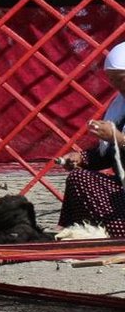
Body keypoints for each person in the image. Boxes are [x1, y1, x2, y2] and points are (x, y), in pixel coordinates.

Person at [57, 42, 125, 238]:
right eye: (112, 80)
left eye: (120, 80)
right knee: (80, 179)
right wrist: (81, 158)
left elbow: (120, 143)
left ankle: (113, 231)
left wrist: (118, 138)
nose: (116, 86)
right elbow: (108, 156)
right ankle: (91, 230)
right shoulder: (119, 108)